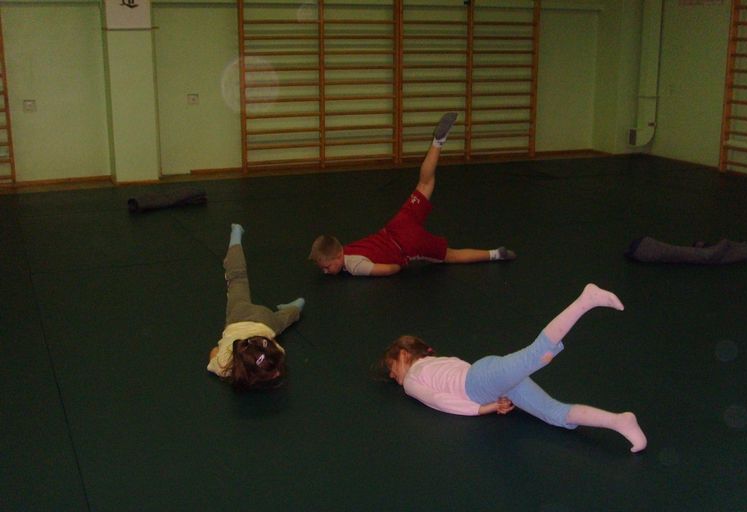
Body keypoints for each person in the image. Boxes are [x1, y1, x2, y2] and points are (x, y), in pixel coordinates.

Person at [380, 284, 647, 452]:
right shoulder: (436, 362)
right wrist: (491, 397)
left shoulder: (412, 380)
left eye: (392, 368)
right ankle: (619, 421)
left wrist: (482, 409)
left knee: (538, 354)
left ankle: (585, 300)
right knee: (554, 414)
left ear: (403, 355)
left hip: (480, 382)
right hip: (488, 379)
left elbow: (439, 400)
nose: (393, 376)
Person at [309, 112, 517, 276]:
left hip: (408, 244)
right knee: (425, 184)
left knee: (451, 255)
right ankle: (437, 143)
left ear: (339, 255)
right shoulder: (347, 248)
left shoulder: (354, 266)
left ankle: (495, 254)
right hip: (397, 225)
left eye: (327, 267)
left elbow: (390, 269)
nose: (326, 271)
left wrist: (399, 262)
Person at [207, 224, 306, 391]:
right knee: (237, 278)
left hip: (263, 321)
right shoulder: (224, 365)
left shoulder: (228, 368)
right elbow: (214, 351)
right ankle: (236, 234)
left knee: (282, 320)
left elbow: (214, 351)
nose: (277, 373)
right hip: (241, 317)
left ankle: (298, 305)